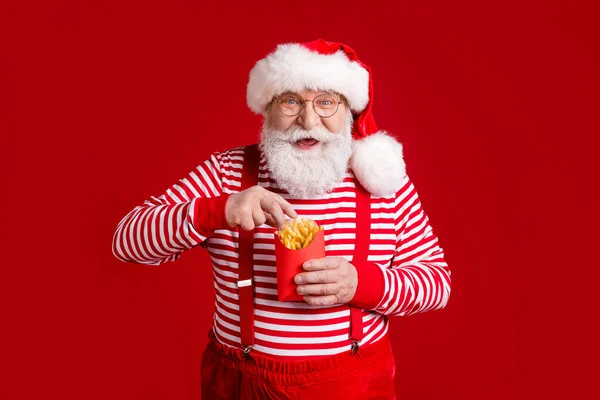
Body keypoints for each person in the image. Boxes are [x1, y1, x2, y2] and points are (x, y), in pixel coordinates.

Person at [112, 39, 451, 399]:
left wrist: (361, 284)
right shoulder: (226, 172)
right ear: (267, 109)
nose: (307, 120)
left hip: (351, 382)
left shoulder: (381, 181)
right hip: (242, 381)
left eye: (326, 101)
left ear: (349, 111)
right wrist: (218, 210)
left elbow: (436, 283)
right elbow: (127, 243)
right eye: (290, 100)